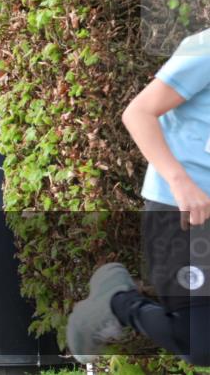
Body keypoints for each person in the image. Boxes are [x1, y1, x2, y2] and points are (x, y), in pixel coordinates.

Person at [67, 29, 209, 366]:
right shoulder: (204, 50)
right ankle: (116, 301)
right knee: (201, 345)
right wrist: (181, 182)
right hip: (182, 213)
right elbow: (138, 113)